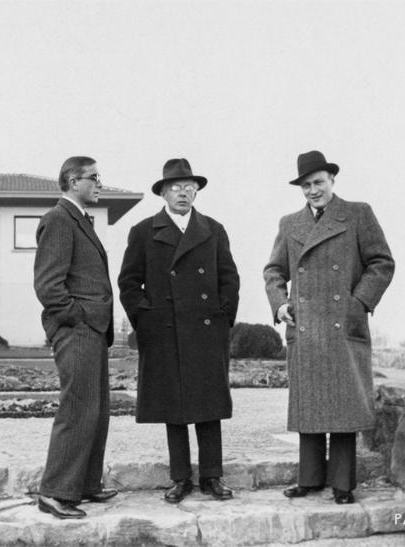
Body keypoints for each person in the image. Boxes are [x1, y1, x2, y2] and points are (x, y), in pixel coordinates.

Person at [263, 150, 394, 505]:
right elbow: (274, 271)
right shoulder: (289, 223)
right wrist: (280, 303)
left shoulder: (357, 214)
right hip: (305, 325)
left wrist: (358, 303)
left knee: (342, 404)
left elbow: (382, 263)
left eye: (318, 183)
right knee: (309, 404)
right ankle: (309, 480)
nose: (312, 191)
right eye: (306, 185)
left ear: (332, 181)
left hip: (342, 324)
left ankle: (342, 484)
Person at [119, 158, 240, 503]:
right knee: (173, 407)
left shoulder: (214, 229)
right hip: (164, 329)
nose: (183, 193)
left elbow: (229, 278)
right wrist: (146, 318)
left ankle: (212, 477)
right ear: (163, 193)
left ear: (197, 191)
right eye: (175, 187)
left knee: (209, 405)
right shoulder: (143, 231)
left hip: (205, 330)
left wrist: (222, 316)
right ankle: (180, 478)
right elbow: (129, 281)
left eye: (189, 187)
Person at [33, 156, 117, 519]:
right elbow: (48, 286)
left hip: (92, 330)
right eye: (93, 178)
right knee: (77, 408)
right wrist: (77, 317)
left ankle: (84, 485)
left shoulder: (80, 219)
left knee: (95, 411)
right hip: (77, 329)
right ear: (71, 181)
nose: (100, 184)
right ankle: (54, 493)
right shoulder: (57, 219)